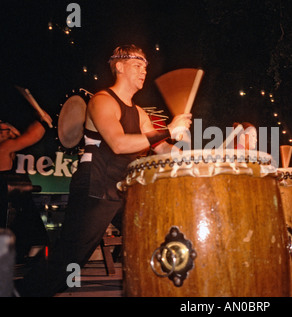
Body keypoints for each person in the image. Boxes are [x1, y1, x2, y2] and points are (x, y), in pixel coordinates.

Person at [16, 44, 192, 296]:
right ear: (119, 66)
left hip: (125, 188)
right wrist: (167, 129)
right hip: (95, 185)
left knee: (156, 238)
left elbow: (162, 148)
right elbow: (119, 144)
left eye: (145, 66)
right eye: (137, 65)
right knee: (68, 263)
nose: (144, 71)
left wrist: (193, 158)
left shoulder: (140, 112)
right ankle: (21, 292)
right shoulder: (101, 101)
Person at [0, 115, 52, 262]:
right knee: (26, 217)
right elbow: (31, 137)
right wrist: (44, 121)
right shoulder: (5, 146)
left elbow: (21, 135)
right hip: (9, 193)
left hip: (10, 193)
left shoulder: (7, 145)